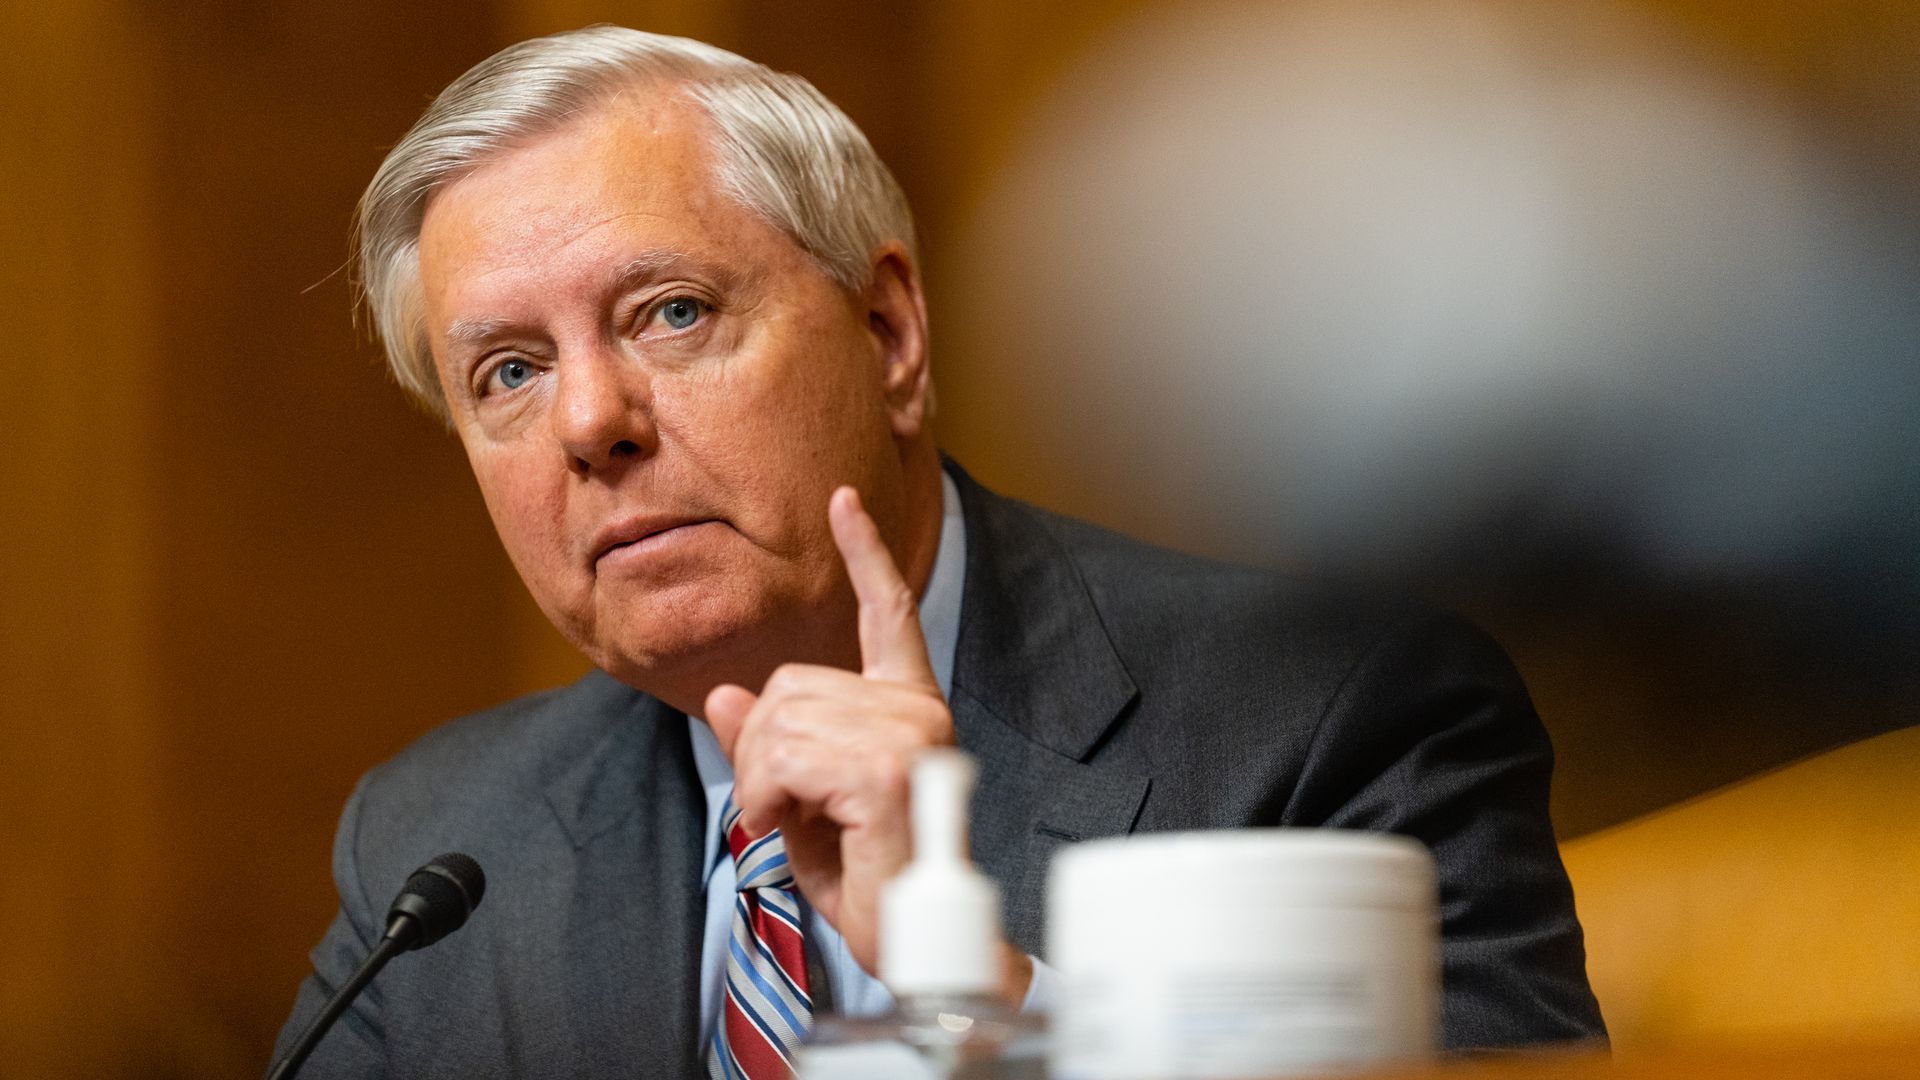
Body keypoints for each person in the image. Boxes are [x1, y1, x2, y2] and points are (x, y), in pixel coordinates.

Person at [275, 26, 1606, 1079]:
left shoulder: (1330, 718)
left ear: (891, 332)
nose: (588, 422)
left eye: (672, 311)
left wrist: (975, 997)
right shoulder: (437, 849)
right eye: (507, 371)